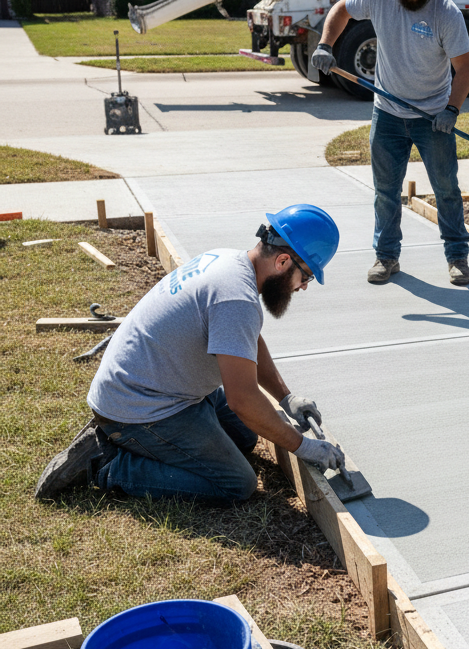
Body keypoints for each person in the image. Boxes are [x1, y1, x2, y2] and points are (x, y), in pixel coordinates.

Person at [35, 205, 350, 504]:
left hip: (151, 384)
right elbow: (242, 400)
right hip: (139, 407)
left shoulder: (229, 261)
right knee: (236, 483)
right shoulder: (236, 299)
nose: (303, 287)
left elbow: (248, 339)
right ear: (282, 262)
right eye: (306, 276)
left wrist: (286, 398)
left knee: (244, 436)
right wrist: (303, 446)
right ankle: (106, 463)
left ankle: (138, 440)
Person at [311, 0, 469, 286]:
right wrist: (326, 44)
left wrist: (451, 110)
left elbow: (465, 68)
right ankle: (386, 256)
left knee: (446, 189)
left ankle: (457, 256)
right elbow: (341, 10)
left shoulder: (446, 13)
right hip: (387, 112)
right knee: (385, 192)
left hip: (433, 117)